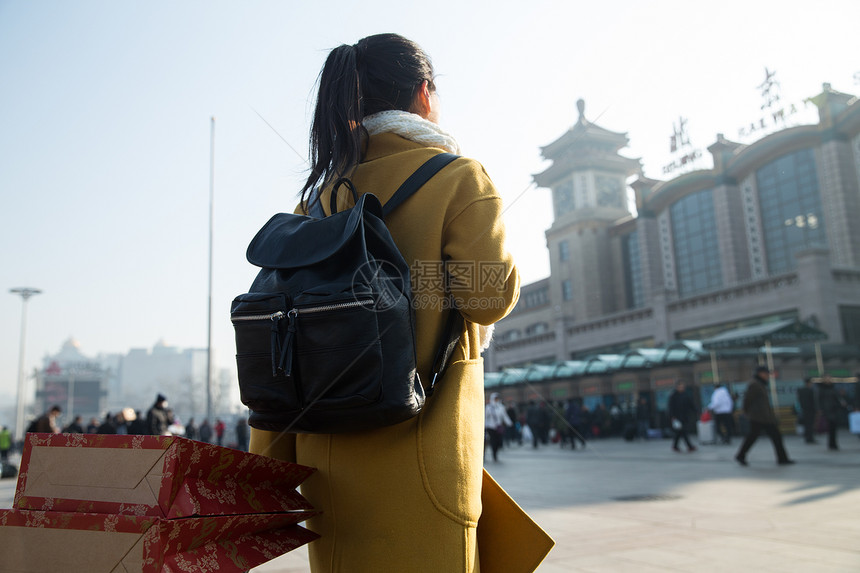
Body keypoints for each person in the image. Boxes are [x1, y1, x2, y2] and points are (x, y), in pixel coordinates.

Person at [248, 33, 520, 572]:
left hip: (326, 470)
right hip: (423, 463)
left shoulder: (320, 198)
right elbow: (488, 299)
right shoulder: (459, 178)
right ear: (424, 94)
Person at [735, 366, 794, 466]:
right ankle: (741, 455)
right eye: (766, 373)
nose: (767, 376)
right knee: (755, 437)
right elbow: (747, 400)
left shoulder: (760, 384)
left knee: (773, 437)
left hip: (764, 417)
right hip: (758, 417)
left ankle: (782, 458)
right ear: (760, 373)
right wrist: (746, 412)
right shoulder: (754, 385)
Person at [818, 374, 845, 451]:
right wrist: (821, 409)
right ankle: (831, 444)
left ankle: (834, 443)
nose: (828, 380)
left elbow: (837, 398)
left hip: (834, 409)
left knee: (834, 428)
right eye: (827, 378)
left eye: (829, 378)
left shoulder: (833, 388)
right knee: (830, 427)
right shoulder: (821, 389)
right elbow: (819, 400)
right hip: (827, 410)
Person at [668, 380, 697, 452]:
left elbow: (691, 404)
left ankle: (675, 446)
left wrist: (696, 411)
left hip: (685, 416)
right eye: (680, 387)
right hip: (677, 417)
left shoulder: (686, 395)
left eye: (682, 387)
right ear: (677, 387)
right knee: (683, 431)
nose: (681, 388)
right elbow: (671, 407)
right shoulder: (673, 396)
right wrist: (672, 416)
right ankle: (689, 446)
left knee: (679, 433)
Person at [484, 393, 512, 462]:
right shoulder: (488, 407)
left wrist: (509, 423)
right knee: (493, 441)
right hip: (490, 427)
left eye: (497, 399)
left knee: (498, 442)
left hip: (498, 427)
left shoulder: (501, 407)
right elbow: (485, 417)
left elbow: (504, 416)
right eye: (495, 399)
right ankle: (494, 455)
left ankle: (495, 453)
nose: (496, 400)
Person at [797, 377, 817, 444]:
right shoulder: (810, 390)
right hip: (810, 410)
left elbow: (799, 400)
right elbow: (813, 401)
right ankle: (810, 438)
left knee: (806, 424)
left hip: (804, 410)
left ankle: (807, 437)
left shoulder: (800, 391)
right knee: (810, 424)